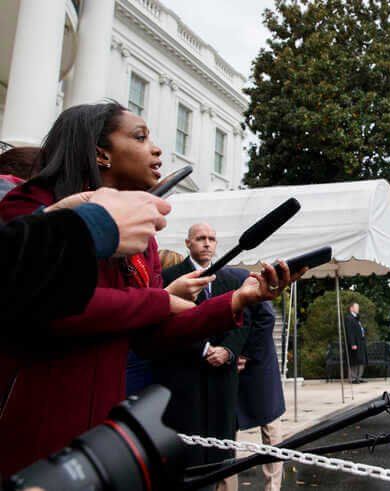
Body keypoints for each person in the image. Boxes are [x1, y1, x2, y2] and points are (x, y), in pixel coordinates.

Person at [0, 102, 295, 476]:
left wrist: (238, 300)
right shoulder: (33, 203)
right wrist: (159, 299)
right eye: (141, 137)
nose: (157, 149)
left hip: (103, 436)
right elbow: (61, 309)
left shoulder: (145, 238)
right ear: (100, 153)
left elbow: (151, 338)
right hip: (33, 428)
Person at [152, 223, 248, 478]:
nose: (207, 243)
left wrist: (228, 350)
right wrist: (204, 349)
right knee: (191, 458)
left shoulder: (230, 279)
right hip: (187, 378)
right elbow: (166, 322)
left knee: (222, 458)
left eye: (212, 239)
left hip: (222, 381)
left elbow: (243, 321)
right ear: (188, 244)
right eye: (200, 238)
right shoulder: (171, 277)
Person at [1, 188, 171, 326]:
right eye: (140, 142)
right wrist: (90, 227)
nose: (156, 150)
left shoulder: (139, 231)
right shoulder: (29, 196)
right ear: (101, 154)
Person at [231, 268, 285, 491]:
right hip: (230, 364)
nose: (207, 245)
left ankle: (273, 487)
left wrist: (246, 354)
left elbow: (266, 318)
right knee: (227, 428)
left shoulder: (247, 278)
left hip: (259, 366)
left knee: (271, 426)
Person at [344, 302, 367, 383]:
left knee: (361, 360)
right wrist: (352, 343)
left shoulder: (357, 318)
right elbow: (349, 332)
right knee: (353, 360)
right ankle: (353, 378)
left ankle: (359, 377)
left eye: (358, 307)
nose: (358, 309)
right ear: (351, 308)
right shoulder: (349, 318)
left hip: (361, 342)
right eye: (356, 307)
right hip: (355, 343)